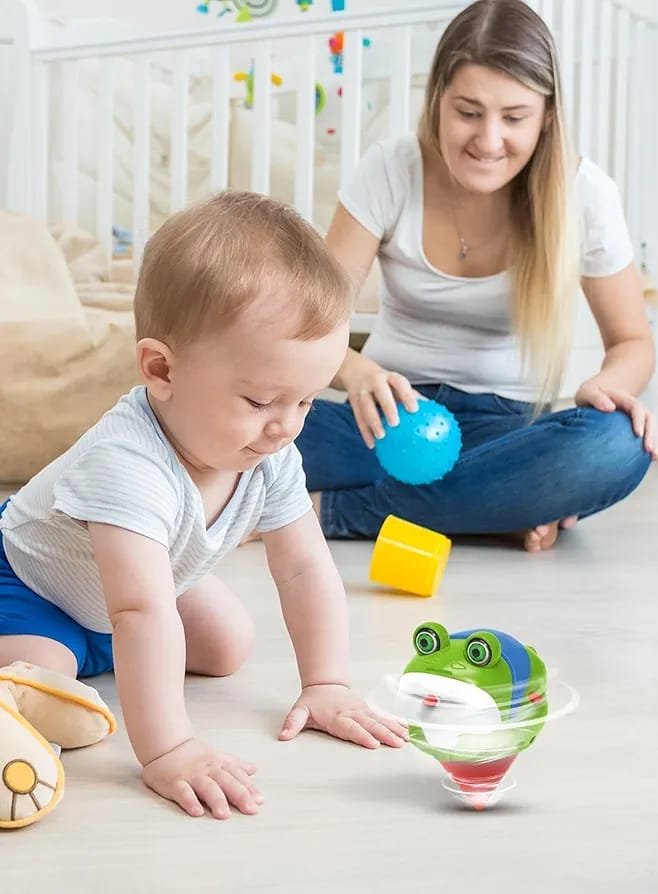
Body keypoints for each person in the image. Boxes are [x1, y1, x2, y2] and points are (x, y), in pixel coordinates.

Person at [0, 192, 406, 828]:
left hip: (134, 591)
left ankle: (108, 660)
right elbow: (139, 611)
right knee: (45, 675)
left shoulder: (268, 450)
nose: (286, 427)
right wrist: (169, 749)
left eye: (305, 401)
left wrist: (326, 682)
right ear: (161, 369)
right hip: (33, 587)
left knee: (227, 643)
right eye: (261, 401)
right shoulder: (127, 464)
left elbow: (304, 568)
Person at [296, 0, 658, 553]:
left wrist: (608, 385)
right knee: (247, 425)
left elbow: (633, 342)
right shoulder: (390, 169)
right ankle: (490, 508)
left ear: (547, 116)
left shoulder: (586, 195)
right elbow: (307, 326)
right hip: (388, 422)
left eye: (514, 118)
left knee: (617, 444)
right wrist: (357, 370)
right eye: (468, 112)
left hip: (507, 434)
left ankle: (333, 512)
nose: (489, 141)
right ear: (437, 100)